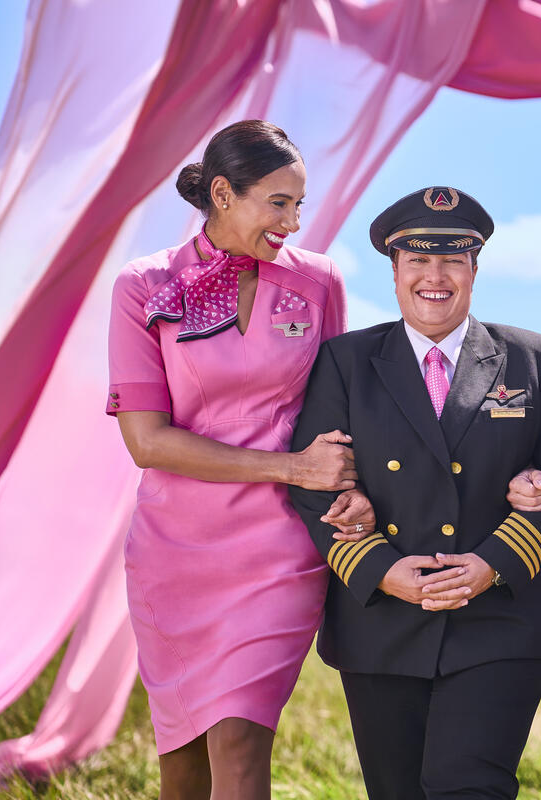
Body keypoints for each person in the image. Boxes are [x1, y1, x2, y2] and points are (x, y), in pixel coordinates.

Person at [287, 187, 541, 800]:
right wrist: (379, 568)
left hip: (501, 617)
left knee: (468, 785)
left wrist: (492, 564)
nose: (435, 276)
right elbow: (316, 482)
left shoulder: (533, 358)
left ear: (475, 270)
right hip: (383, 620)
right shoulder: (346, 361)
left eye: (453, 259)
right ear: (395, 271)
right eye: (418, 260)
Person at [107, 120, 373, 799]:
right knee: (184, 766)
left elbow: (339, 413)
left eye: (299, 205)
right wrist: (290, 467)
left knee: (241, 739)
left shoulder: (318, 282)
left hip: (279, 549)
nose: (292, 221)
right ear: (223, 193)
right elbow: (147, 440)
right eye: (277, 203)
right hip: (175, 551)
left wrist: (346, 488)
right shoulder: (144, 287)